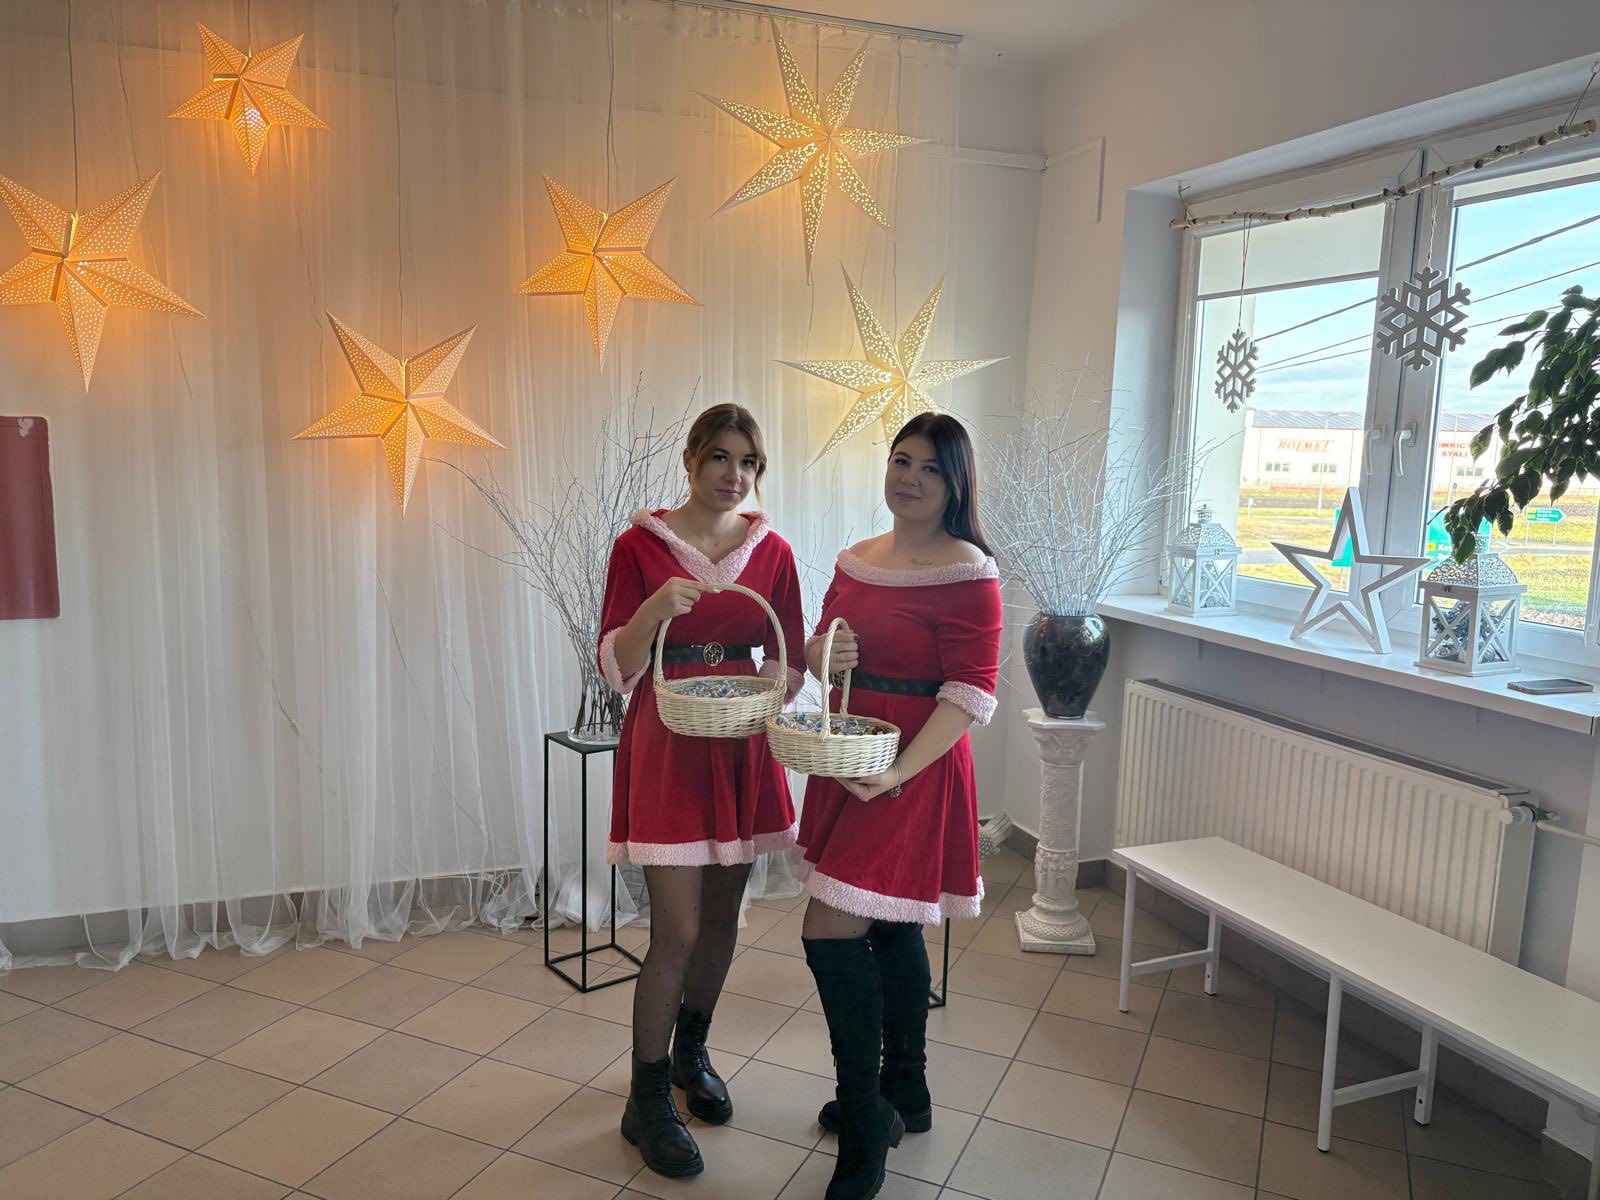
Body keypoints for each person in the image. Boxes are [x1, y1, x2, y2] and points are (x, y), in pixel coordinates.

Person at [795, 413, 1002, 1200]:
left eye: (930, 468)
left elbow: (970, 692)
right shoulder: (858, 558)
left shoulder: (969, 571)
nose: (909, 477)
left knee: (829, 929)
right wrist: (823, 653)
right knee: (889, 925)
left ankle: (865, 1123)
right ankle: (905, 1089)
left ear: (956, 484)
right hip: (851, 756)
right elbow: (820, 645)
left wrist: (900, 776)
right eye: (901, 460)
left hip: (911, 768)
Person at [595, 403, 806, 1179]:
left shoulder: (772, 550)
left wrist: (770, 689)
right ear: (690, 459)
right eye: (720, 457)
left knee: (722, 920)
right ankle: (645, 1095)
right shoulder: (638, 546)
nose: (734, 475)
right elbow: (618, 664)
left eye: (748, 462)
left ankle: (693, 1052)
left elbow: (789, 656)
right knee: (676, 931)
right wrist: (656, 609)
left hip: (739, 742)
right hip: (667, 744)